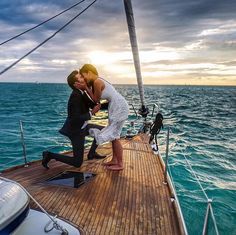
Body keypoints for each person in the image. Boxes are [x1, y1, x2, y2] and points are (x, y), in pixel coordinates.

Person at [42, 70, 106, 169]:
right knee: (77, 163)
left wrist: (112, 102)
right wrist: (92, 112)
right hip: (75, 131)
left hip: (83, 126)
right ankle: (49, 155)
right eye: (80, 77)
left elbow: (93, 104)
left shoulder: (81, 93)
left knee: (103, 130)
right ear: (76, 84)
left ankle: (91, 153)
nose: (83, 77)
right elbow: (75, 118)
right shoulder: (75, 96)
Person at [75, 64, 129, 171]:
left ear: (89, 72)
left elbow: (95, 99)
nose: (84, 78)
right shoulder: (98, 81)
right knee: (114, 136)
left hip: (118, 107)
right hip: (115, 106)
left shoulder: (97, 82)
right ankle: (115, 160)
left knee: (115, 136)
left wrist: (85, 88)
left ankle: (120, 163)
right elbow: (96, 99)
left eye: (84, 75)